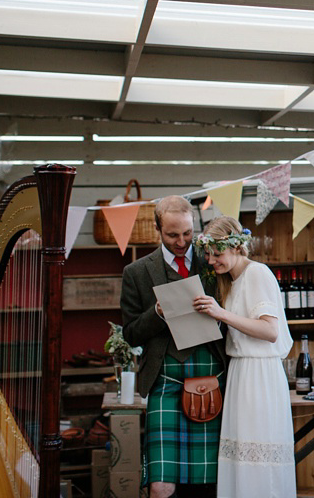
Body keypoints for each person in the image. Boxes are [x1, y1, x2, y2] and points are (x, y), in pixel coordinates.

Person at [120, 196, 227, 498]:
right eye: (172, 235)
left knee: (213, 480)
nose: (181, 242)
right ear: (158, 230)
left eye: (187, 233)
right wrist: (156, 314)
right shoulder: (137, 272)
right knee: (160, 485)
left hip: (215, 375)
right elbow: (130, 334)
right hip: (166, 383)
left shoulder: (215, 261)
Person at [192, 216, 295, 498]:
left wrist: (220, 313)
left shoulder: (257, 273)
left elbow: (270, 330)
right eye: (208, 254)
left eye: (218, 253)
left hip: (259, 376)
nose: (212, 261)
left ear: (237, 247)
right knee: (240, 459)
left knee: (259, 460)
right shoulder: (231, 281)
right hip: (240, 374)